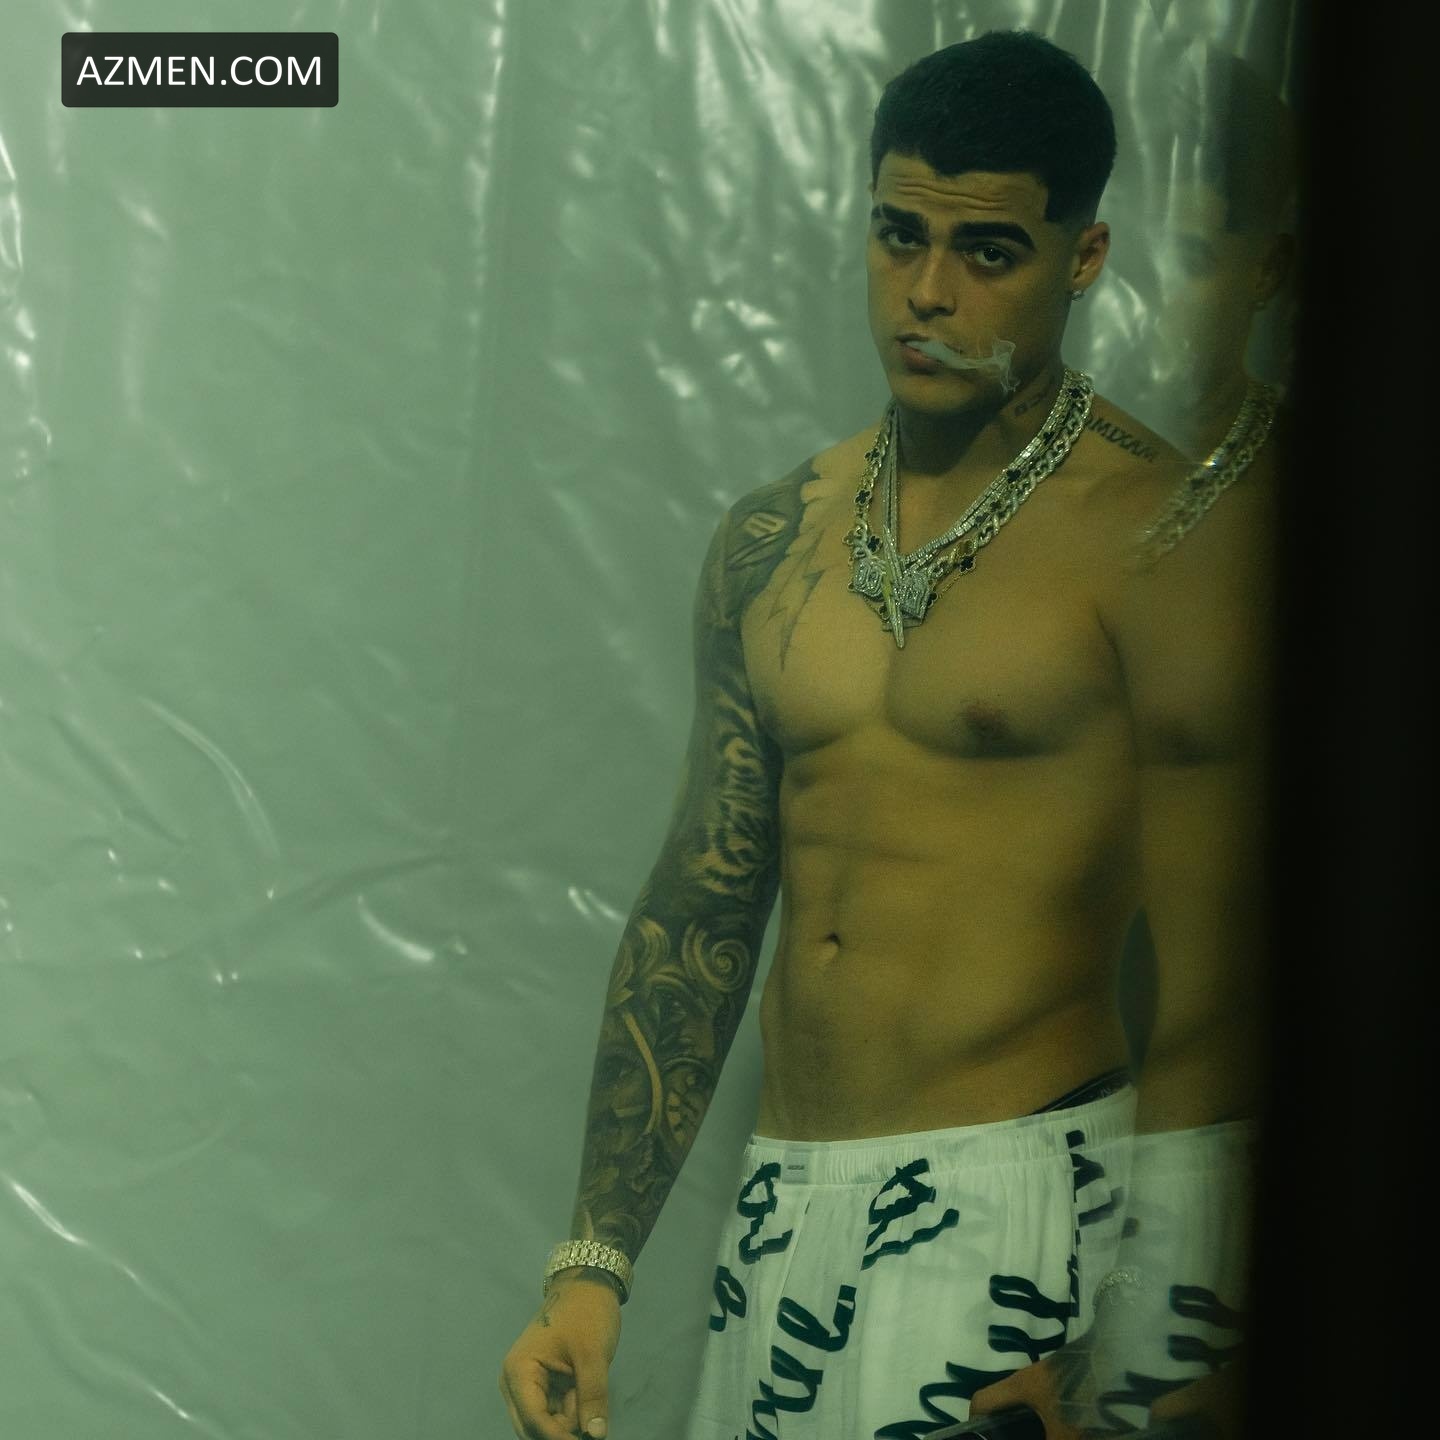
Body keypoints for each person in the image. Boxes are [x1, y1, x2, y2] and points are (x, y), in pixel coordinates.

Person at [500, 30, 1191, 1440]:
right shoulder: (774, 538)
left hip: (1028, 1204)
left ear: (1084, 257)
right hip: (785, 1214)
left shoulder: (1163, 539)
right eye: (898, 236)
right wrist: (594, 1261)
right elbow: (702, 906)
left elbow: (1257, 966)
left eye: (988, 251)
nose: (928, 292)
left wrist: (1145, 1335)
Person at [968, 45, 1295, 1440]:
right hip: (1060, 1179)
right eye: (1135, 251)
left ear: (1270, 268)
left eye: (1198, 254)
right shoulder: (1049, 519)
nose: (1156, 293)